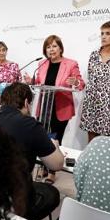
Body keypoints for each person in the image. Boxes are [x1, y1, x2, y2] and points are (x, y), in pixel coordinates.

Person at [0, 83, 64, 220]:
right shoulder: (30, 124)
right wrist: (55, 146)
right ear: (27, 102)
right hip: (16, 197)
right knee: (52, 193)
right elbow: (57, 164)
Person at [27, 35, 84, 184]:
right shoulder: (43, 64)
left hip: (61, 108)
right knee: (42, 138)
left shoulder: (70, 64)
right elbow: (40, 83)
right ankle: (43, 167)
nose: (51, 49)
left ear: (60, 48)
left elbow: (81, 84)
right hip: (44, 107)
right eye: (48, 47)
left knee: (55, 139)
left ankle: (52, 171)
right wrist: (31, 81)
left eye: (54, 46)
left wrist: (75, 81)